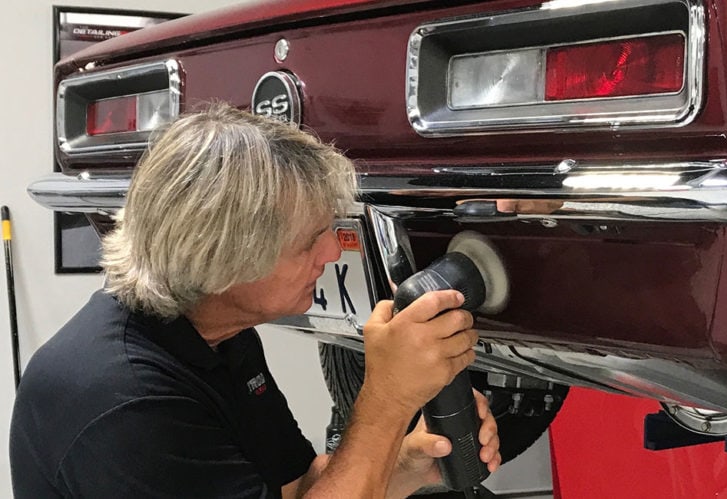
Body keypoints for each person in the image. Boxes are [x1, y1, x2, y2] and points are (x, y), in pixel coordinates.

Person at [10, 103, 501, 498]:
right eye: (310, 240)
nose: (331, 252)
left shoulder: (219, 334)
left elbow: (297, 489)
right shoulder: (127, 403)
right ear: (227, 260)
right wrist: (387, 400)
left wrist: (404, 465)